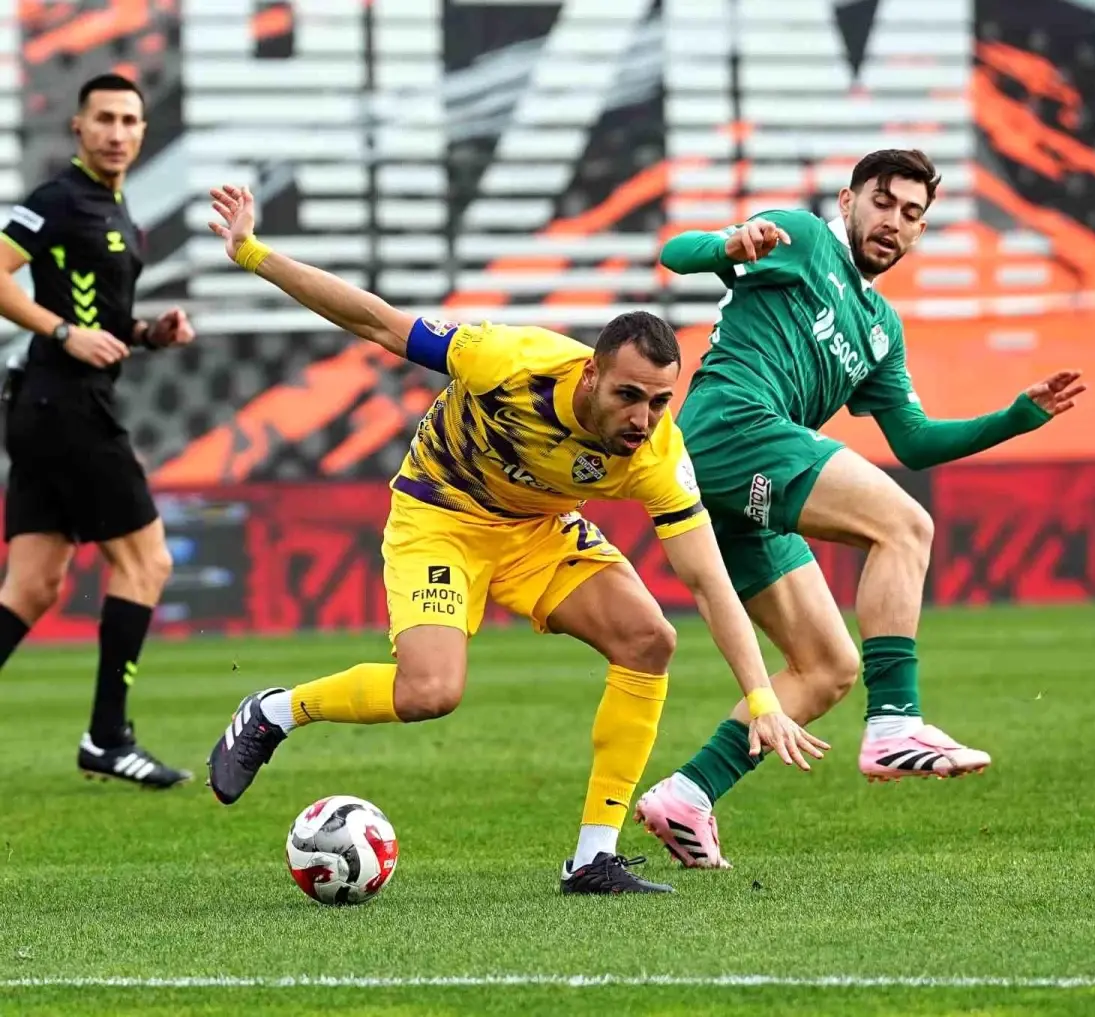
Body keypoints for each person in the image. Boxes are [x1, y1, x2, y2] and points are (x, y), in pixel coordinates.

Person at [202, 183, 828, 895]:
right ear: (591, 374)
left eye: (659, 401)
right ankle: (274, 711)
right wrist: (253, 252)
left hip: (538, 529)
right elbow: (376, 322)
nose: (643, 417)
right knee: (431, 691)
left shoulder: (655, 454)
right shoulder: (508, 360)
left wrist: (763, 697)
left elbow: (710, 581)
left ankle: (594, 856)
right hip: (443, 512)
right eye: (629, 396)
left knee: (649, 638)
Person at [634, 149, 1087, 869]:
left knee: (827, 667)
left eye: (912, 215)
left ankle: (688, 794)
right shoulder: (803, 238)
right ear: (848, 202)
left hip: (747, 476)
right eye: (883, 202)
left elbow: (912, 440)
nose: (895, 223)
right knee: (906, 524)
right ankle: (896, 721)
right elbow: (675, 252)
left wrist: (1016, 416)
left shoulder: (881, 327)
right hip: (732, 429)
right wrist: (730, 244)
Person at [0, 73, 195, 787]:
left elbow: (103, 323)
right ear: (78, 128)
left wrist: (147, 332)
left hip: (45, 406)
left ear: (143, 132)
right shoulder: (58, 199)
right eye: (104, 118)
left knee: (30, 586)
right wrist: (61, 330)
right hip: (67, 406)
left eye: (130, 120)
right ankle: (108, 737)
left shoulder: (114, 209)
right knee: (147, 563)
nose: (117, 132)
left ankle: (107, 737)